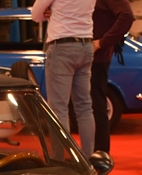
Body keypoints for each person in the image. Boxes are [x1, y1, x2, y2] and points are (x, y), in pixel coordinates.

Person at [31, 0, 97, 156]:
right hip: (86, 44)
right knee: (84, 107)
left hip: (62, 46)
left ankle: (61, 159)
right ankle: (88, 158)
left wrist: (50, 11)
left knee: (59, 109)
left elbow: (35, 15)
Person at [91, 0, 132, 153]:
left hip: (97, 58)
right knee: (89, 106)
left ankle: (100, 153)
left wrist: (102, 42)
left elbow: (127, 15)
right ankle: (96, 153)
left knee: (96, 105)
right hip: (88, 56)